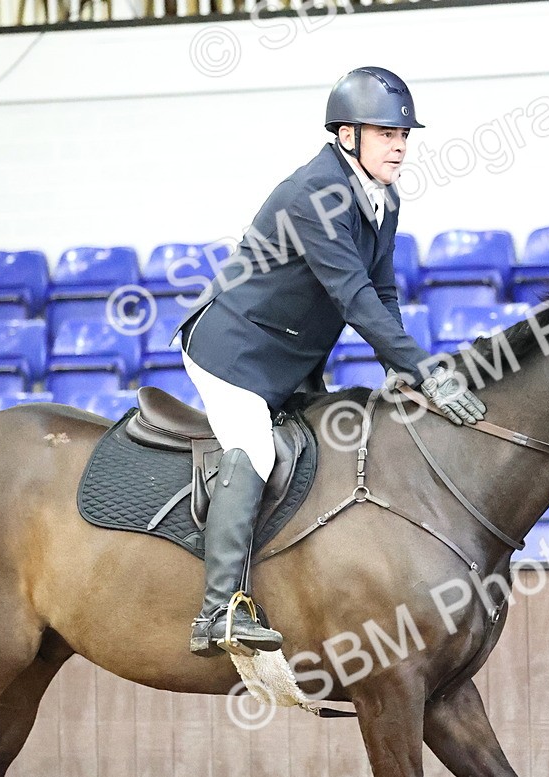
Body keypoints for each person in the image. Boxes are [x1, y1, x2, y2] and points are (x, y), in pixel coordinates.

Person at [174, 66, 487, 656]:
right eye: (386, 134)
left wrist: (399, 366)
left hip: (291, 355)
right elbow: (353, 296)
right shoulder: (317, 193)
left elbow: (384, 292)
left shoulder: (382, 199)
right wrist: (426, 371)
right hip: (234, 350)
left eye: (404, 136)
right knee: (256, 450)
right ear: (347, 136)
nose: (399, 146)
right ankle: (218, 611)